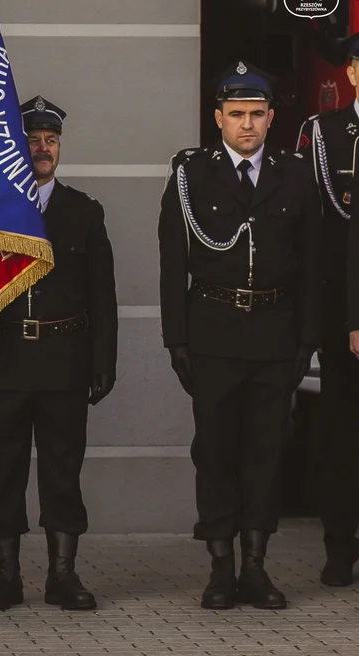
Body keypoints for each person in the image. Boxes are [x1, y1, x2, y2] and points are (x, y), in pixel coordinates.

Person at [158, 61, 321, 610]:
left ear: (272, 118)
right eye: (236, 115)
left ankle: (256, 567)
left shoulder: (295, 174)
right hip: (212, 334)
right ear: (218, 118)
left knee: (265, 454)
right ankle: (220, 569)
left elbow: (312, 264)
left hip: (275, 336)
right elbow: (171, 263)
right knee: (216, 452)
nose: (246, 125)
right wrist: (176, 342)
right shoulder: (191, 175)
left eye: (256, 114)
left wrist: (306, 341)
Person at [0, 96, 117, 612]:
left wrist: (103, 361)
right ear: (15, 148)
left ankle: (62, 576)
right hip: (3, 361)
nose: (42, 149)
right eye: (32, 140)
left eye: (50, 140)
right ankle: (5, 578)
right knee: (1, 472)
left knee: (62, 472)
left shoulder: (83, 211)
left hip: (65, 359)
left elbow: (102, 295)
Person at [297, 34, 359, 587]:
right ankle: (341, 545)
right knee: (341, 434)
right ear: (353, 74)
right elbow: (311, 235)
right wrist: (321, 321)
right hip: (343, 319)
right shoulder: (325, 134)